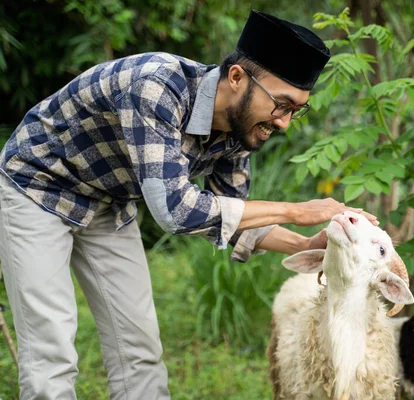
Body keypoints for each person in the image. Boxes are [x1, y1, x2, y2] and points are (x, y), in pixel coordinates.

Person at [0, 9, 378, 400]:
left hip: (110, 200)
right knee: (52, 350)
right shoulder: (156, 86)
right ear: (236, 78)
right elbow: (174, 210)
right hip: (38, 187)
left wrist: (304, 245)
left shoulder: (240, 127)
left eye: (296, 110)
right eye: (281, 104)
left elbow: (234, 213)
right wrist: (297, 211)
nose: (283, 122)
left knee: (139, 347)